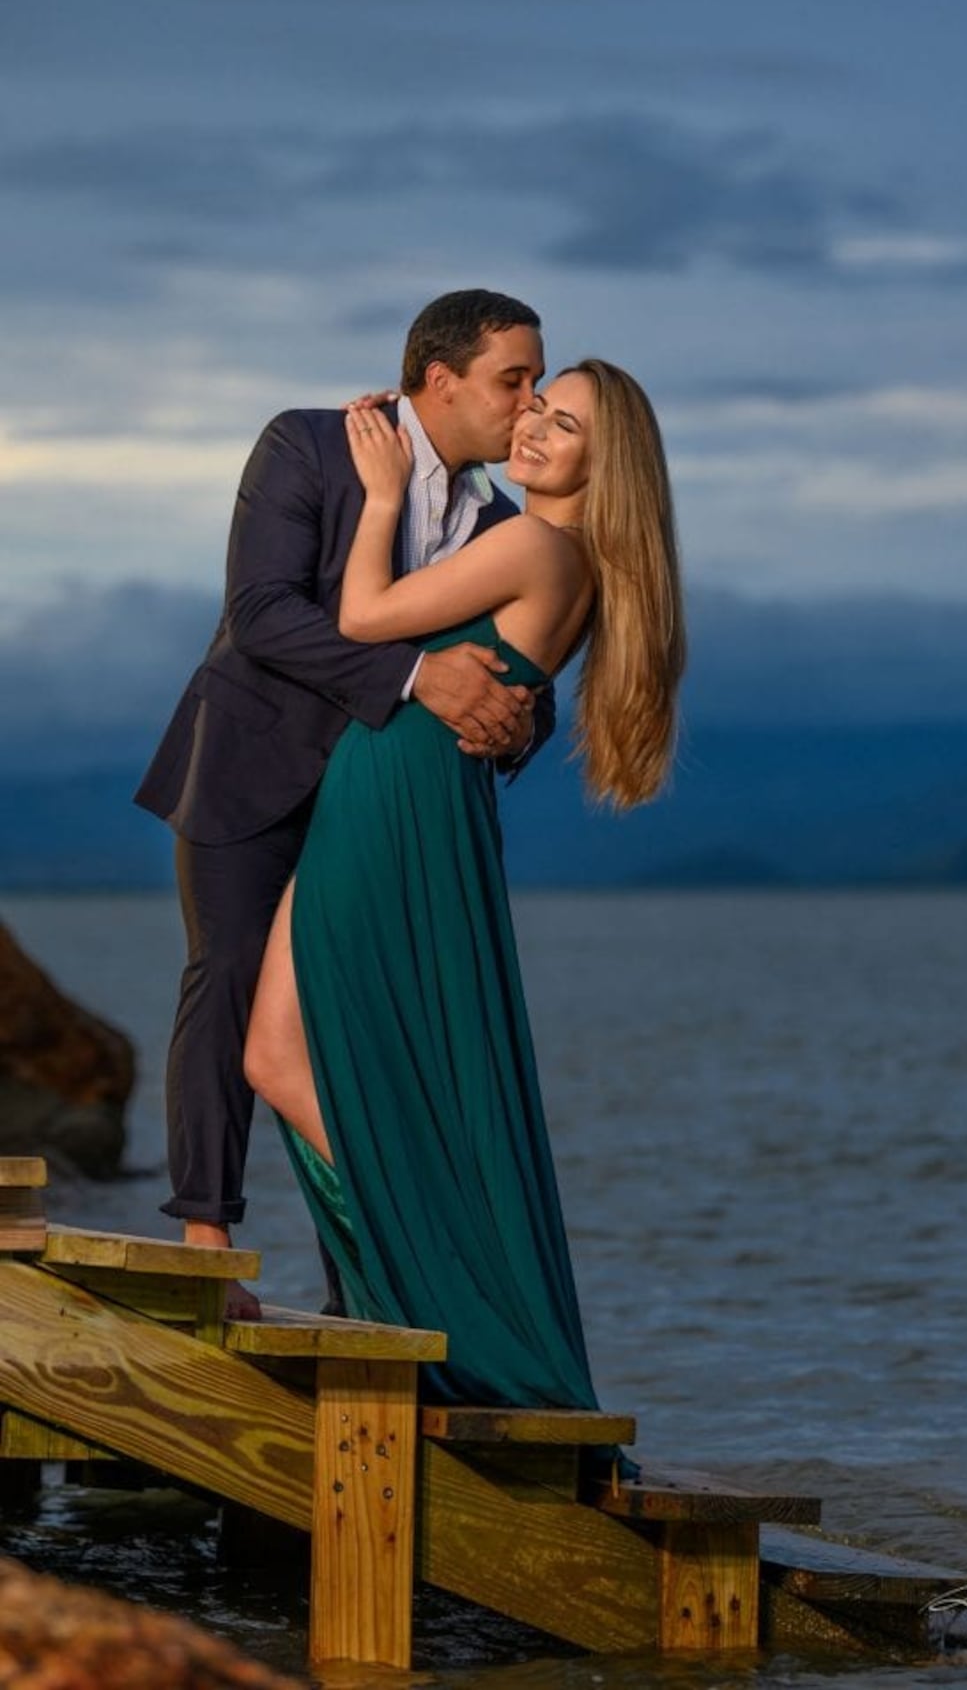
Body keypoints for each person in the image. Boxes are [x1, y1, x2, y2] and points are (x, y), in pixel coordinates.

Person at [243, 360, 685, 1415]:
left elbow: (362, 618)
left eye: (563, 423)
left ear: (603, 460)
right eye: (534, 405)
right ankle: (427, 1271)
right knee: (286, 1051)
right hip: (409, 788)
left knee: (278, 1050)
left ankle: (436, 1281)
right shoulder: (554, 553)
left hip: (397, 792)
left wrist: (386, 495)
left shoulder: (534, 545)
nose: (533, 427)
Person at [135, 292, 551, 1312]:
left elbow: (513, 672)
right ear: (440, 379)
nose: (530, 403)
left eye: (540, 381)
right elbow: (263, 614)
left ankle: (359, 1285)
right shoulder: (308, 445)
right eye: (515, 379)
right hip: (246, 764)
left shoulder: (504, 523)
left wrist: (515, 722)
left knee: (350, 1025)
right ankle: (205, 1244)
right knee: (226, 981)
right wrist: (419, 680)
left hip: (375, 806)